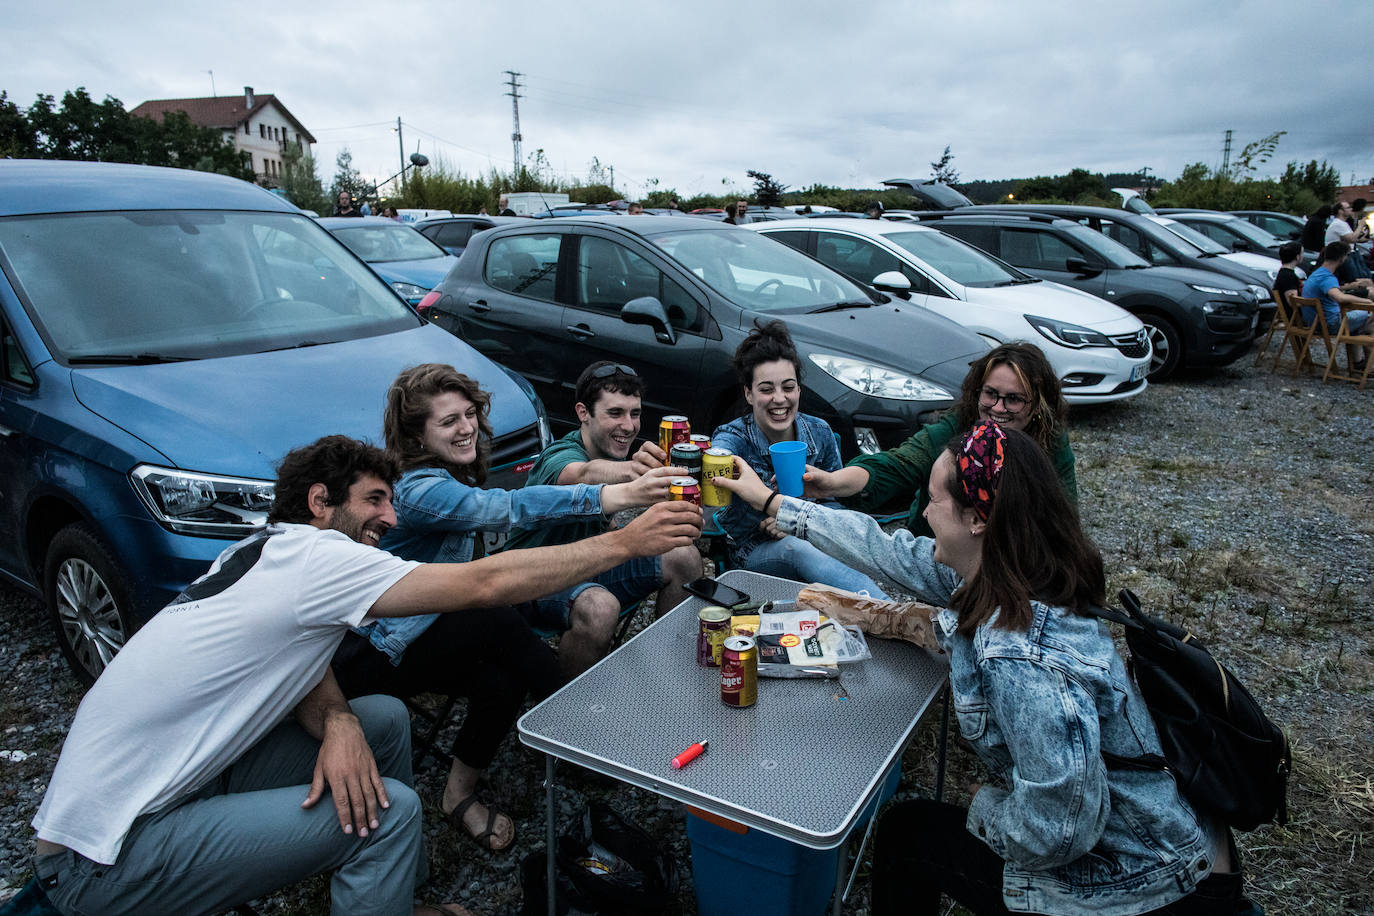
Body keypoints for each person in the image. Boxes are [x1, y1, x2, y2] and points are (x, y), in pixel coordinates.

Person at [27, 435, 699, 916]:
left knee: (381, 718)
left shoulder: (265, 552)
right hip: (103, 854)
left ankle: (389, 888)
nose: (391, 517)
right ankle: (382, 855)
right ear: (321, 501)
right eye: (375, 500)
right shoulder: (319, 557)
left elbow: (300, 653)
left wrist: (340, 719)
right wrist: (624, 542)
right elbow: (486, 581)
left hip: (177, 783)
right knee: (391, 814)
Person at [714, 422, 1244, 915]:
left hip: (1138, 878)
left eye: (936, 501)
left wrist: (986, 807)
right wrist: (772, 502)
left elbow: (1058, 828)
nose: (925, 515)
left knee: (908, 839)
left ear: (977, 518)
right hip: (1155, 839)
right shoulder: (1016, 566)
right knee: (910, 829)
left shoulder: (1021, 657)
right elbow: (886, 550)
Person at [331, 365, 682, 850]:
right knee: (496, 617)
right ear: (416, 434)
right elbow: (504, 507)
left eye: (470, 415)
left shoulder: (441, 474)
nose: (466, 428)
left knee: (505, 670)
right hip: (378, 654)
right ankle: (583, 733)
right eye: (449, 421)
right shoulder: (415, 489)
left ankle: (458, 794)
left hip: (426, 633)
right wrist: (618, 495)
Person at [504, 362, 703, 669]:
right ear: (583, 412)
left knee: (684, 556)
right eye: (615, 413)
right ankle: (565, 707)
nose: (628, 425)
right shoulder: (559, 456)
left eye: (634, 413)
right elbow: (582, 474)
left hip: (587, 566)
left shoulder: (610, 451)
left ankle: (668, 667)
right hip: (533, 579)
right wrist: (633, 472)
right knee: (599, 607)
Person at [804, 342, 1076, 538]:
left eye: (1013, 399)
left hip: (1010, 555)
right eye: (990, 393)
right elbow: (896, 465)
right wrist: (831, 483)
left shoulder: (1050, 443)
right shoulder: (957, 427)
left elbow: (1063, 521)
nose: (998, 408)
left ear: (1038, 405)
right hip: (939, 549)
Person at [710, 321, 888, 597]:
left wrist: (797, 521)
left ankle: (880, 618)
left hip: (814, 538)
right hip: (754, 551)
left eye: (788, 387)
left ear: (799, 390)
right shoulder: (734, 438)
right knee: (801, 548)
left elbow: (834, 504)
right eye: (766, 389)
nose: (779, 399)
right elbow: (717, 460)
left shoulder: (818, 432)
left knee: (851, 532)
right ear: (748, 393)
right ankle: (889, 613)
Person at [1301, 240, 1374, 370]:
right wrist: (1366, 301)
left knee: (1360, 320)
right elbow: (1339, 297)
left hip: (1314, 323)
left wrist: (1348, 288)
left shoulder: (1316, 273)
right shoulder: (1327, 277)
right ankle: (1368, 365)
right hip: (1330, 324)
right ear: (1341, 258)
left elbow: (1334, 292)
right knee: (1369, 317)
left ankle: (1358, 362)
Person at [1273, 240, 1306, 306]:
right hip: (1294, 315)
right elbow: (1293, 302)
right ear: (1297, 257)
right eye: (1302, 253)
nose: (1303, 256)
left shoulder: (1284, 273)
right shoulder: (1287, 276)